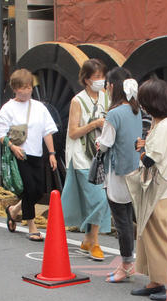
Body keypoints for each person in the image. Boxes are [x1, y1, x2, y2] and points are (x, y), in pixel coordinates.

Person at [130, 78, 167, 301]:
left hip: (160, 189)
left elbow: (150, 159)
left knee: (160, 236)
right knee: (150, 234)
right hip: (163, 186)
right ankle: (155, 282)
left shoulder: (164, 126)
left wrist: (140, 151)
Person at [0, 68, 58, 241]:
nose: (27, 90)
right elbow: (0, 132)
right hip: (19, 155)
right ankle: (31, 225)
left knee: (38, 191)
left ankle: (13, 210)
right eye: (23, 87)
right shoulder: (8, 108)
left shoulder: (39, 107)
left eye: (29, 86)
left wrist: (52, 153)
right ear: (15, 88)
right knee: (29, 188)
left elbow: (47, 131)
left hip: (37, 154)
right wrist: (12, 147)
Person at [61, 59, 111, 261]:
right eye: (97, 77)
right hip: (81, 157)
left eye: (102, 77)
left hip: (100, 157)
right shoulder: (77, 101)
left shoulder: (105, 97)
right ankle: (94, 241)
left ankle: (89, 240)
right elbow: (73, 132)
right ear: (86, 79)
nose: (101, 81)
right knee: (99, 199)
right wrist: (95, 124)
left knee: (100, 199)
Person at [98, 67, 142, 282]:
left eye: (107, 85)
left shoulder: (114, 113)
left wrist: (98, 142)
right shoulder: (136, 110)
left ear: (113, 87)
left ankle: (126, 265)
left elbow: (105, 144)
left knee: (121, 221)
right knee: (127, 218)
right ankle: (128, 262)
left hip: (116, 173)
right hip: (133, 170)